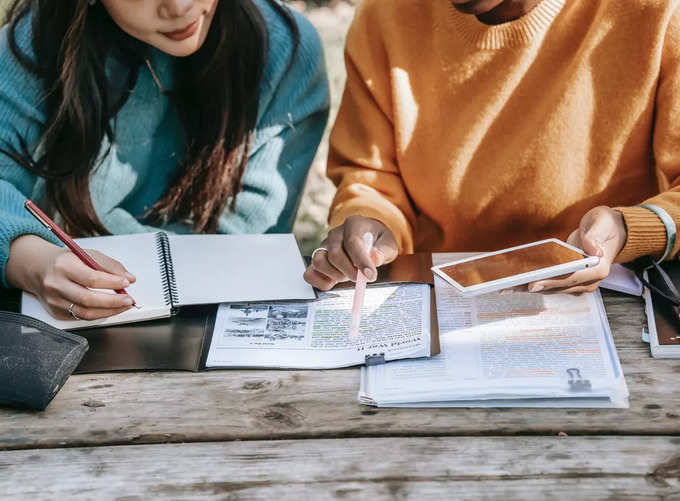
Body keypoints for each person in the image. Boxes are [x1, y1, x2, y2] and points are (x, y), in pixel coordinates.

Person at [304, 0, 680, 294]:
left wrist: (629, 230)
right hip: (437, 293)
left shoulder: (656, 14)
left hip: (610, 297)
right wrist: (371, 223)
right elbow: (371, 176)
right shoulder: (384, 17)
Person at [0, 0, 329, 320]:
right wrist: (32, 261)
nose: (179, 7)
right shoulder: (35, 42)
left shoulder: (285, 50)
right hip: (57, 325)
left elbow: (247, 242)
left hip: (209, 323)